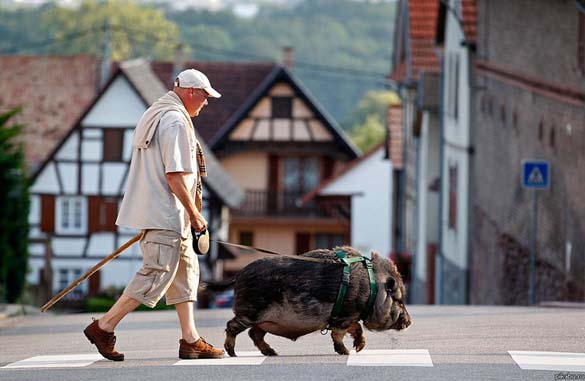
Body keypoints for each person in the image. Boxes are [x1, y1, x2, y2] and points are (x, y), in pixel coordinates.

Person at [83, 68, 224, 361]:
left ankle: (191, 339)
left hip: (167, 215)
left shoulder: (158, 113)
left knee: (185, 274)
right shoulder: (174, 121)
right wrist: (196, 215)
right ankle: (104, 326)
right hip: (167, 215)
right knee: (155, 274)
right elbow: (174, 176)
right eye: (205, 96)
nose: (207, 102)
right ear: (190, 92)